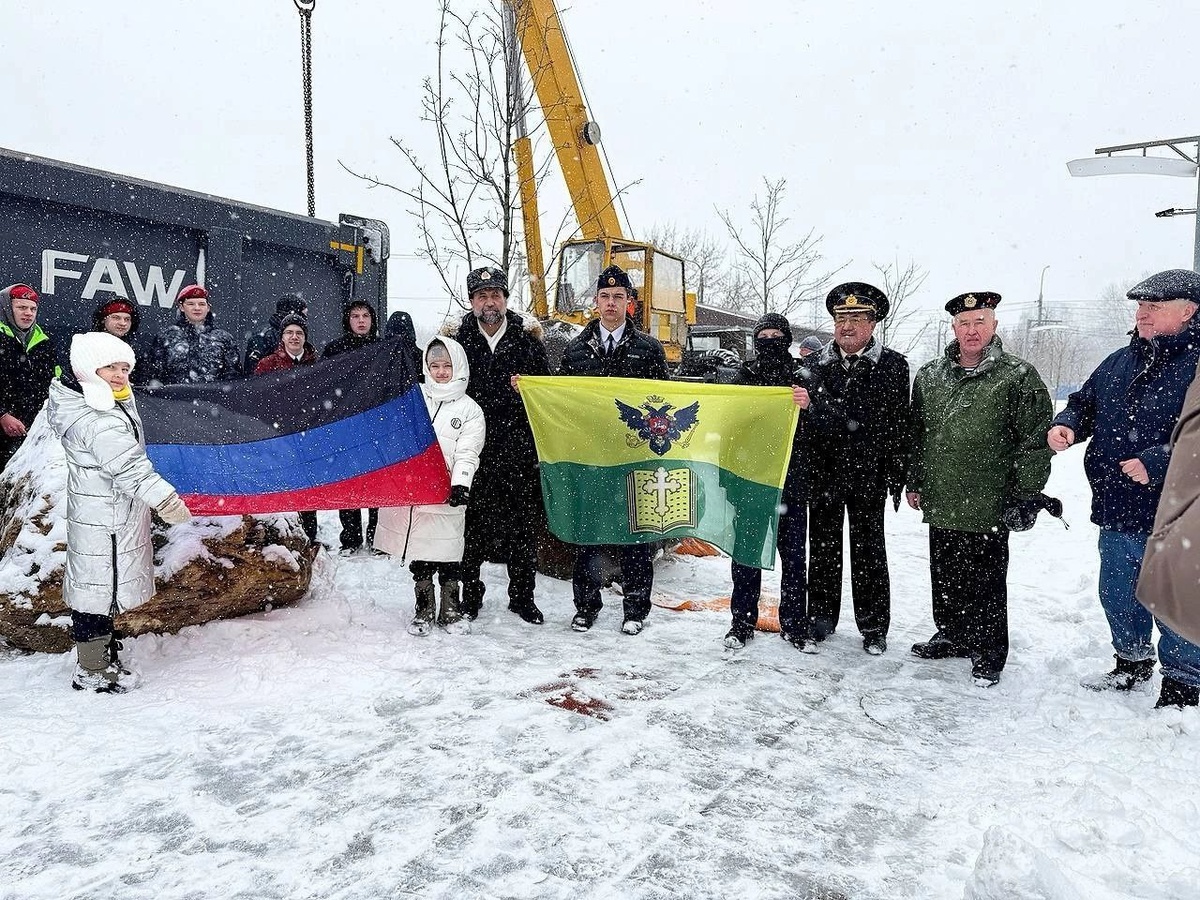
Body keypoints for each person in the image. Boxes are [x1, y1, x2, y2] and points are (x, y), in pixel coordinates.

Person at [1048, 269, 1200, 708]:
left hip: (1179, 512)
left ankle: (1184, 682)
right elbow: (1085, 402)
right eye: (1140, 306)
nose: (1142, 313)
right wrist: (1068, 425)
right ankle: (1132, 661)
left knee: (1176, 597)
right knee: (1118, 592)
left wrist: (1157, 461)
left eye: (1154, 306)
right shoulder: (1120, 360)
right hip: (1118, 504)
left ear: (1188, 312)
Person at [906, 291, 1053, 687]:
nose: (972, 331)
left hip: (989, 500)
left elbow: (1034, 440)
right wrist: (915, 480)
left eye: (980, 322)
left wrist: (1026, 493)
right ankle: (953, 633)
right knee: (946, 572)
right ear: (953, 327)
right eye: (964, 323)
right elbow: (918, 433)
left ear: (994, 326)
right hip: (942, 495)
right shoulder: (931, 375)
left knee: (986, 580)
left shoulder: (1018, 376)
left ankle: (988, 651)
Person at [45, 332, 193, 693]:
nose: (119, 374)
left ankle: (100, 654)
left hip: (106, 512)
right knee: (98, 592)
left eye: (125, 367)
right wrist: (167, 501)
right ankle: (92, 669)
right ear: (87, 368)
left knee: (100, 589)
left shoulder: (102, 402)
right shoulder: (97, 417)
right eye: (110, 366)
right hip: (105, 519)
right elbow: (129, 466)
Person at [559, 264, 669, 635]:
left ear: (629, 303)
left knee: (638, 533)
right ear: (595, 302)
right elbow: (562, 404)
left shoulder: (648, 349)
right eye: (604, 297)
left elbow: (664, 402)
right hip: (591, 457)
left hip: (634, 456)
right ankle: (586, 606)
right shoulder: (575, 351)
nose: (610, 303)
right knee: (590, 531)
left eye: (618, 296)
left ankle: (635, 608)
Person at [805, 282, 910, 655]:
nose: (846, 326)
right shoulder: (814, 364)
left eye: (856, 318)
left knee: (869, 551)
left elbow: (897, 423)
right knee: (823, 549)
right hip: (825, 473)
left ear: (873, 323)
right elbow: (806, 423)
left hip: (868, 474)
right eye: (840, 318)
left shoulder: (893, 365)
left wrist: (897, 474)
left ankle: (873, 626)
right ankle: (820, 618)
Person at [452, 267, 550, 625]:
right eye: (482, 296)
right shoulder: (456, 342)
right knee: (472, 529)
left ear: (506, 300)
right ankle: (470, 595)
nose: (489, 302)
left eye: (495, 295)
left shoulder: (528, 342)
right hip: (472, 452)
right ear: (472, 302)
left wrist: (527, 391)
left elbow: (547, 393)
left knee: (523, 528)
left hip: (517, 450)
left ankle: (522, 597)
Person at [375, 337, 485, 635]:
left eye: (447, 366)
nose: (440, 372)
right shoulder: (415, 398)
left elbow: (467, 452)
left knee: (448, 554)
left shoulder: (469, 409)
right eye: (434, 366)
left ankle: (451, 608)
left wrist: (461, 484)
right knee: (422, 555)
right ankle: (423, 608)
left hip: (447, 494)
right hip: (415, 493)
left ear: (458, 366)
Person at [723, 313, 819, 652]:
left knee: (794, 557)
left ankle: (794, 624)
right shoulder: (745, 375)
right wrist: (728, 476)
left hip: (791, 480)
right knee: (746, 554)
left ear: (787, 337)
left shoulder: (804, 375)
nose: (769, 339)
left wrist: (809, 406)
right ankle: (741, 622)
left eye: (776, 333)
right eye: (762, 334)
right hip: (751, 480)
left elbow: (822, 428)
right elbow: (729, 426)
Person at [322, 300, 381, 555]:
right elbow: (321, 382)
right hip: (345, 425)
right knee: (349, 483)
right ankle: (351, 538)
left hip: (377, 424)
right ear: (348, 320)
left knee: (377, 482)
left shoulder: (383, 348)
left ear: (372, 319)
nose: (360, 320)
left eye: (365, 315)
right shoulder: (335, 349)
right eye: (355, 316)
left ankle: (378, 538)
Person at [254, 313, 319, 543]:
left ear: (305, 337)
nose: (294, 337)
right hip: (276, 435)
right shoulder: (267, 364)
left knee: (307, 486)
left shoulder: (317, 364)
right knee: (279, 486)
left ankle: (309, 535)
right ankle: (280, 536)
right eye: (289, 332)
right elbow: (257, 399)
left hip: (307, 435)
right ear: (282, 337)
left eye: (299, 333)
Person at [0, 283, 58, 473]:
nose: (28, 313)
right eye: (21, 307)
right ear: (7, 308)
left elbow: (55, 384)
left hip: (29, 435)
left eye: (33, 308)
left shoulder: (44, 343)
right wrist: (2, 414)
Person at [155, 284, 241, 385]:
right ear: (182, 307)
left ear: (208, 308)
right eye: (191, 304)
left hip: (213, 399)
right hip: (175, 398)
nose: (197, 308)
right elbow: (154, 373)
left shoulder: (224, 338)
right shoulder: (167, 336)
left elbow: (234, 378)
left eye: (201, 304)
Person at [91, 296, 156, 384]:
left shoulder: (137, 350)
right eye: (116, 318)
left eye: (127, 319)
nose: (123, 323)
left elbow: (143, 382)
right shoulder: (88, 345)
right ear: (103, 320)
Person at [245, 293, 307, 374]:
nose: (305, 320)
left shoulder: (267, 335)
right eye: (303, 315)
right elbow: (253, 374)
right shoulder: (263, 338)